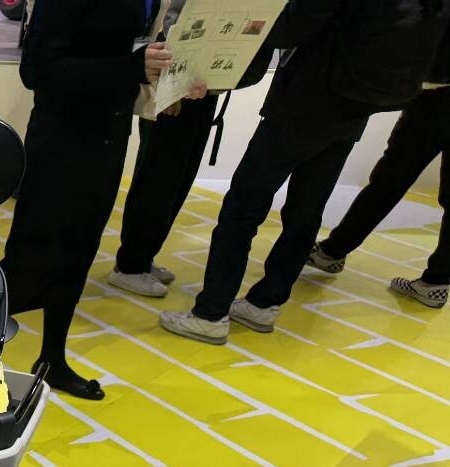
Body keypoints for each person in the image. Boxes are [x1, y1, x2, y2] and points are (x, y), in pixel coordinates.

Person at [161, 0, 450, 345]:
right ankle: (265, 303)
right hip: (357, 105)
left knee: (244, 205)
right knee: (306, 211)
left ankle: (210, 313)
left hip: (305, 100)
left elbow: (289, 30)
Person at [1, 0, 174, 400]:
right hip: (62, 142)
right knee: (31, 259)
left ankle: (52, 358)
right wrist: (131, 68)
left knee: (78, 253)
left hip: (107, 137)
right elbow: (37, 70)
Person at [108, 2, 273, 299]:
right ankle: (131, 263)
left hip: (201, 85)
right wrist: (169, 86)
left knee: (178, 178)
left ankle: (142, 257)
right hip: (176, 86)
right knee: (159, 178)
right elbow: (177, 24)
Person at [307, 32, 450, 309]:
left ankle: (332, 252)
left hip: (436, 95)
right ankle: (437, 282)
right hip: (436, 92)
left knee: (390, 179)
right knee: (392, 179)